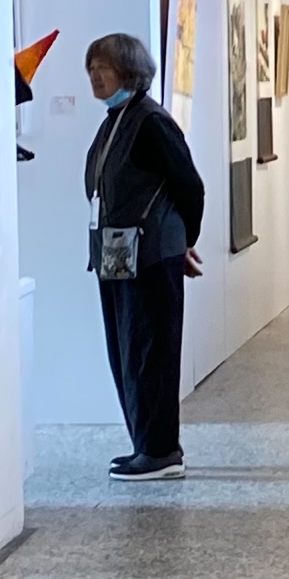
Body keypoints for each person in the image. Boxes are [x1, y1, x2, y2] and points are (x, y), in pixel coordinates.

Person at [83, 30, 204, 481]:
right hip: (119, 258)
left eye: (103, 67)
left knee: (151, 352)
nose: (95, 76)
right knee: (127, 353)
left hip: (150, 257)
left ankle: (161, 450)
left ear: (129, 71)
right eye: (91, 68)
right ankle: (145, 444)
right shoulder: (116, 119)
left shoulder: (150, 122)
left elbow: (189, 186)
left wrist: (182, 241)